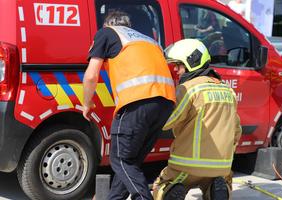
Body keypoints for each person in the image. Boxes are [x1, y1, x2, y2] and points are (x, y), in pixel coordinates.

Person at [82, 10, 176, 200]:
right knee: (129, 163)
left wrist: (87, 103)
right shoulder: (149, 40)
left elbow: (91, 76)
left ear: (108, 24)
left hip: (136, 101)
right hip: (165, 103)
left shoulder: (107, 33)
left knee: (120, 159)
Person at [152, 39, 242, 200]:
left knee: (160, 185)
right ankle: (217, 189)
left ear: (191, 62)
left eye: (178, 65)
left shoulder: (189, 89)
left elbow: (167, 121)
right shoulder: (228, 91)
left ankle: (171, 189)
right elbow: (237, 131)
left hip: (187, 164)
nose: (177, 71)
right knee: (219, 181)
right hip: (222, 165)